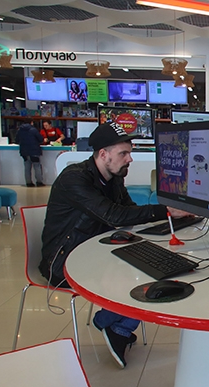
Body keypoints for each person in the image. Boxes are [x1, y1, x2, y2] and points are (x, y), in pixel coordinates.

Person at [40, 122, 191, 368]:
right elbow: (114, 215)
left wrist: (168, 221)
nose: (130, 159)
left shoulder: (113, 177)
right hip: (63, 261)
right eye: (124, 153)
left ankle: (110, 321)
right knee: (144, 274)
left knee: (155, 266)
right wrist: (164, 210)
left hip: (97, 250)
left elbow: (128, 210)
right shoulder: (74, 179)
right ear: (103, 154)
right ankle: (115, 326)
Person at [16, 120, 44, 187]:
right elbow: (41, 139)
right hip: (34, 151)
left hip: (24, 152)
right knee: (37, 167)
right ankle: (39, 182)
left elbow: (16, 140)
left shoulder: (20, 130)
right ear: (31, 122)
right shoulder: (34, 130)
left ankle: (28, 182)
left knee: (27, 168)